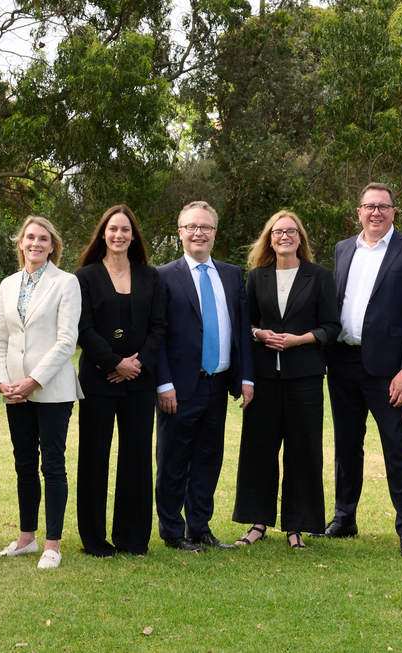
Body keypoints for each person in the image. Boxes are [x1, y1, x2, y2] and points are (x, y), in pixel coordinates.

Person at [318, 182, 402, 558]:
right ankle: (344, 517)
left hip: (388, 370)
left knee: (396, 446)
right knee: (346, 446)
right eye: (369, 206)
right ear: (358, 212)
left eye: (383, 207)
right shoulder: (342, 249)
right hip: (343, 363)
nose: (376, 213)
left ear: (394, 212)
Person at [232, 211, 340, 550]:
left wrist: (300, 339)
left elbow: (332, 328)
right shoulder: (257, 277)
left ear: (300, 238)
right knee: (258, 449)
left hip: (304, 376)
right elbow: (244, 324)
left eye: (291, 231)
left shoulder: (320, 276)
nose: (284, 237)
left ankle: (297, 525)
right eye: (278, 232)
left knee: (303, 450)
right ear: (269, 238)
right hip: (264, 377)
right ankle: (257, 523)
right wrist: (258, 333)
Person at [155, 200, 254, 552]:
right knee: (173, 460)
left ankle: (200, 527)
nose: (199, 233)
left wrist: (246, 377)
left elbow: (240, 329)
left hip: (218, 383)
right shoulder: (164, 276)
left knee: (208, 459)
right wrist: (163, 383)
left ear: (215, 233)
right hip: (179, 388)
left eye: (206, 227)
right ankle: (172, 531)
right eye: (192, 227)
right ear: (180, 232)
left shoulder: (230, 274)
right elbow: (158, 335)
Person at [0, 216, 82, 569]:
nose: (36, 243)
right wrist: (2, 382)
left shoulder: (66, 283)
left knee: (52, 465)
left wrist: (34, 381)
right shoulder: (9, 284)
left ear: (52, 245)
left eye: (43, 238)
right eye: (30, 237)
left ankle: (52, 544)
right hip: (15, 392)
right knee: (24, 464)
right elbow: (0, 340)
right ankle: (26, 539)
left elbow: (66, 342)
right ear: (20, 242)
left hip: (52, 391)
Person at [74, 205, 166, 557]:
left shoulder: (149, 276)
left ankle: (132, 538)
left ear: (133, 235)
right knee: (94, 456)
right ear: (103, 234)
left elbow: (159, 326)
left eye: (125, 230)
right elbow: (82, 328)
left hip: (139, 382)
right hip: (98, 380)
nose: (119, 235)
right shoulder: (85, 277)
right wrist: (113, 362)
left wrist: (137, 363)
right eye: (113, 229)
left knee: (137, 457)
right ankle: (95, 540)